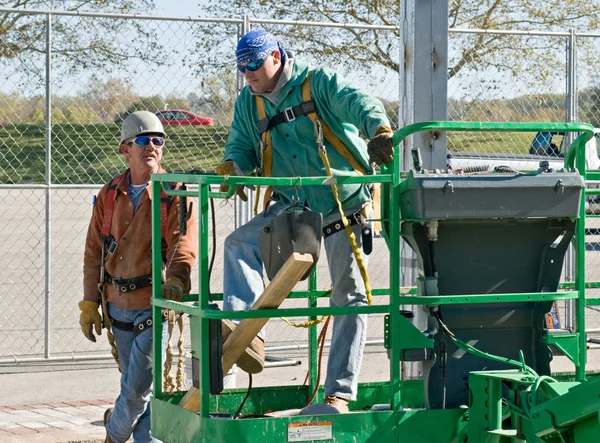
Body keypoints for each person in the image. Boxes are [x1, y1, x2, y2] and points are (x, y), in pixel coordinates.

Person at [216, 29, 394, 413]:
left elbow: (357, 102)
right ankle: (243, 331)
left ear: (276, 58)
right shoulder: (250, 103)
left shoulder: (318, 83)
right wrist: (233, 166)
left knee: (349, 296)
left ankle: (339, 394)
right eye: (241, 66)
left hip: (342, 204)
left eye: (253, 65)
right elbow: (241, 144)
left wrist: (378, 129)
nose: (247, 73)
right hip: (294, 205)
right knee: (238, 244)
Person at [79, 111, 197, 442]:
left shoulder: (173, 190)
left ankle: (114, 434)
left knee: (138, 387)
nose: (151, 146)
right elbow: (93, 252)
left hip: (154, 303)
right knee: (139, 389)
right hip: (116, 304)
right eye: (142, 140)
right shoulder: (109, 194)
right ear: (125, 149)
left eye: (158, 140)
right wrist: (90, 302)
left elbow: (183, 244)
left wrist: (176, 280)